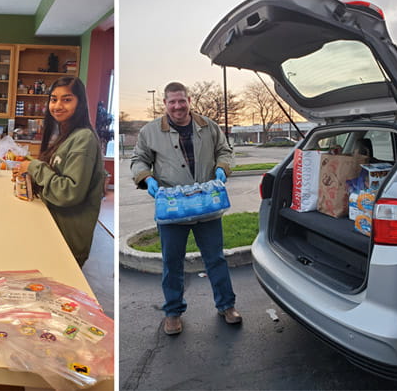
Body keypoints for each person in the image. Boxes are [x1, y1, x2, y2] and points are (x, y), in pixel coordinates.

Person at [130, 81, 240, 336]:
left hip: (207, 206)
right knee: (172, 263)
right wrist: (147, 178)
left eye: (182, 100)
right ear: (165, 104)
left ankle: (227, 305)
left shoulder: (208, 126)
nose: (177, 106)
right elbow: (139, 159)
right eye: (172, 102)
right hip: (172, 210)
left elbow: (225, 150)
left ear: (189, 101)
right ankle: (173, 312)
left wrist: (223, 167)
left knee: (216, 259)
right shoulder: (150, 131)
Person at [15, 76, 106, 267]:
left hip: (67, 241)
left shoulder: (83, 139)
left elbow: (68, 193)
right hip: (52, 230)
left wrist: (34, 167)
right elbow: (55, 174)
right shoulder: (65, 135)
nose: (57, 105)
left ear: (80, 103)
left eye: (67, 99)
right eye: (53, 99)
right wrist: (31, 177)